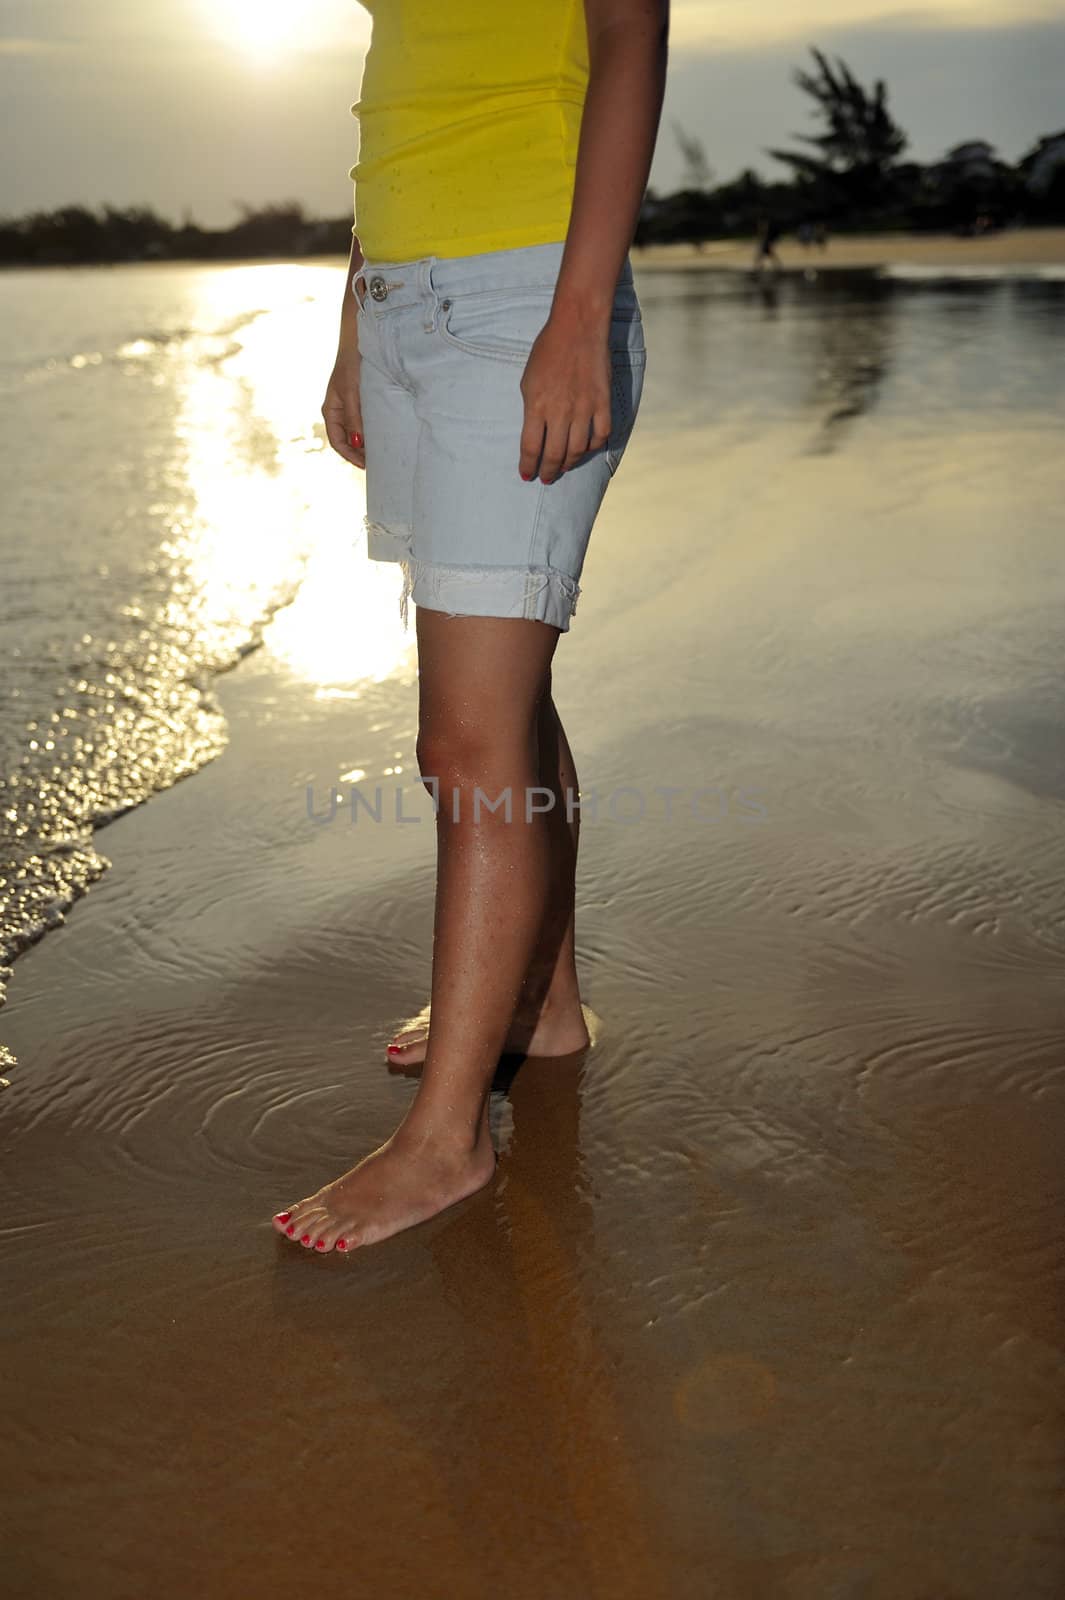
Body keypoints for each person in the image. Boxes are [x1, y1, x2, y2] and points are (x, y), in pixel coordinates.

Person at [272, 0, 669, 1253]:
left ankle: (448, 1145)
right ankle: (541, 1007)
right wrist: (355, 316)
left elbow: (630, 37)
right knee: (509, 695)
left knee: (464, 742)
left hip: (519, 301)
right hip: (405, 302)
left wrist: (575, 313)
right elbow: (411, 89)